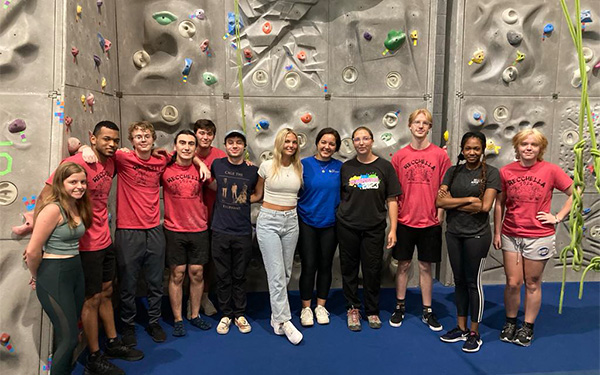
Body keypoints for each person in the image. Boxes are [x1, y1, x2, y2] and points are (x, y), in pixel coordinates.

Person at [39, 121, 142, 375]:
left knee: (107, 292)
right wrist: (39, 236)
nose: (112, 144)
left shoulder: (111, 161)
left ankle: (113, 343)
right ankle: (94, 357)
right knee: (91, 299)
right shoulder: (76, 163)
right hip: (85, 245)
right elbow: (45, 195)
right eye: (105, 139)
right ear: (92, 138)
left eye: (115, 140)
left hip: (105, 239)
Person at [493, 129, 573, 347]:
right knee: (512, 282)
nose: (528, 148)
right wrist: (497, 232)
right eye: (524, 144)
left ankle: (527, 326)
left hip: (539, 236)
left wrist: (557, 217)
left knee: (532, 282)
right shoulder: (506, 171)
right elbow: (499, 203)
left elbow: (575, 193)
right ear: (517, 147)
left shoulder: (551, 170)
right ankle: (510, 322)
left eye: (534, 145)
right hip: (511, 234)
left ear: (541, 148)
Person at [25, 162, 92, 375]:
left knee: (69, 335)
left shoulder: (77, 204)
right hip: (54, 274)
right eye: (73, 182)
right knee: (70, 339)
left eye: (82, 181)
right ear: (60, 184)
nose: (79, 186)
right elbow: (33, 252)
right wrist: (37, 276)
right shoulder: (53, 209)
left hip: (75, 270)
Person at [436, 132, 501, 353]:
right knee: (459, 280)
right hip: (454, 233)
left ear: (482, 149)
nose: (471, 152)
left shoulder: (491, 174)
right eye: (467, 148)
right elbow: (439, 201)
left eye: (476, 148)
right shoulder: (453, 172)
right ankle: (460, 327)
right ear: (462, 150)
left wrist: (452, 203)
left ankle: (475, 332)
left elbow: (484, 207)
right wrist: (468, 200)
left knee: (473, 282)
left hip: (477, 235)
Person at [390, 108, 451, 331]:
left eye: (425, 123)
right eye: (417, 122)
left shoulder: (440, 156)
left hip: (430, 221)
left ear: (429, 127)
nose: (420, 126)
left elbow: (446, 186)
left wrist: (441, 213)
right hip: (406, 220)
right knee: (403, 265)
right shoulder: (399, 156)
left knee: (426, 266)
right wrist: (394, 225)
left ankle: (427, 310)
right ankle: (400, 306)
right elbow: (393, 194)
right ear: (410, 125)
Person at [337, 126, 401, 331]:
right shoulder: (346, 167)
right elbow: (338, 195)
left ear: (372, 141)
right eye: (357, 139)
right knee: (349, 269)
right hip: (348, 226)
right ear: (353, 143)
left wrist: (393, 229)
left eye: (365, 138)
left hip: (374, 228)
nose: (361, 142)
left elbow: (392, 199)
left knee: (372, 270)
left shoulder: (385, 167)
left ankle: (372, 310)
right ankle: (352, 308)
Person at [253, 128, 304, 344]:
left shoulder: (299, 167)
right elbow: (257, 194)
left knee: (286, 272)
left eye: (294, 142)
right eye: (287, 141)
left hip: (291, 221)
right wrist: (234, 202)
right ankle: (285, 320)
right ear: (279, 143)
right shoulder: (266, 166)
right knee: (275, 273)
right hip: (268, 221)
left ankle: (276, 320)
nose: (291, 145)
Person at [161, 130, 212, 337]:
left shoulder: (203, 171)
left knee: (197, 273)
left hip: (199, 228)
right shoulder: (164, 169)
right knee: (177, 273)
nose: (187, 147)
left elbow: (218, 187)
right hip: (174, 229)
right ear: (176, 145)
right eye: (182, 142)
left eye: (191, 143)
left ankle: (194, 315)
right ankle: (178, 318)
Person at [209, 130, 258, 335]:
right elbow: (210, 183)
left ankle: (239, 314)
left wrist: (242, 200)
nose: (235, 146)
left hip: (242, 230)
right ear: (226, 146)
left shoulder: (252, 171)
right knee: (222, 275)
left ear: (244, 147)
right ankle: (226, 314)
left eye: (239, 143)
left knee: (239, 275)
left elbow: (259, 194)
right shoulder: (217, 164)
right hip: (220, 229)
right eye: (231, 142)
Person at [297, 128, 343, 327]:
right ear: (317, 143)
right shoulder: (303, 165)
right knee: (308, 266)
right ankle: (306, 308)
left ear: (336, 147)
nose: (327, 147)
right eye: (324, 142)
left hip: (331, 224)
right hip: (307, 221)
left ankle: (321, 306)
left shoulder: (341, 168)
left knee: (325, 265)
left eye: (332, 144)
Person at [192, 119, 226, 317]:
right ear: (195, 134)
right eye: (201, 133)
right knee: (192, 264)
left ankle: (204, 297)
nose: (205, 137)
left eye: (209, 134)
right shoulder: (186, 151)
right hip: (190, 218)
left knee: (210, 261)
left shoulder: (220, 156)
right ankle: (191, 300)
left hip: (214, 216)